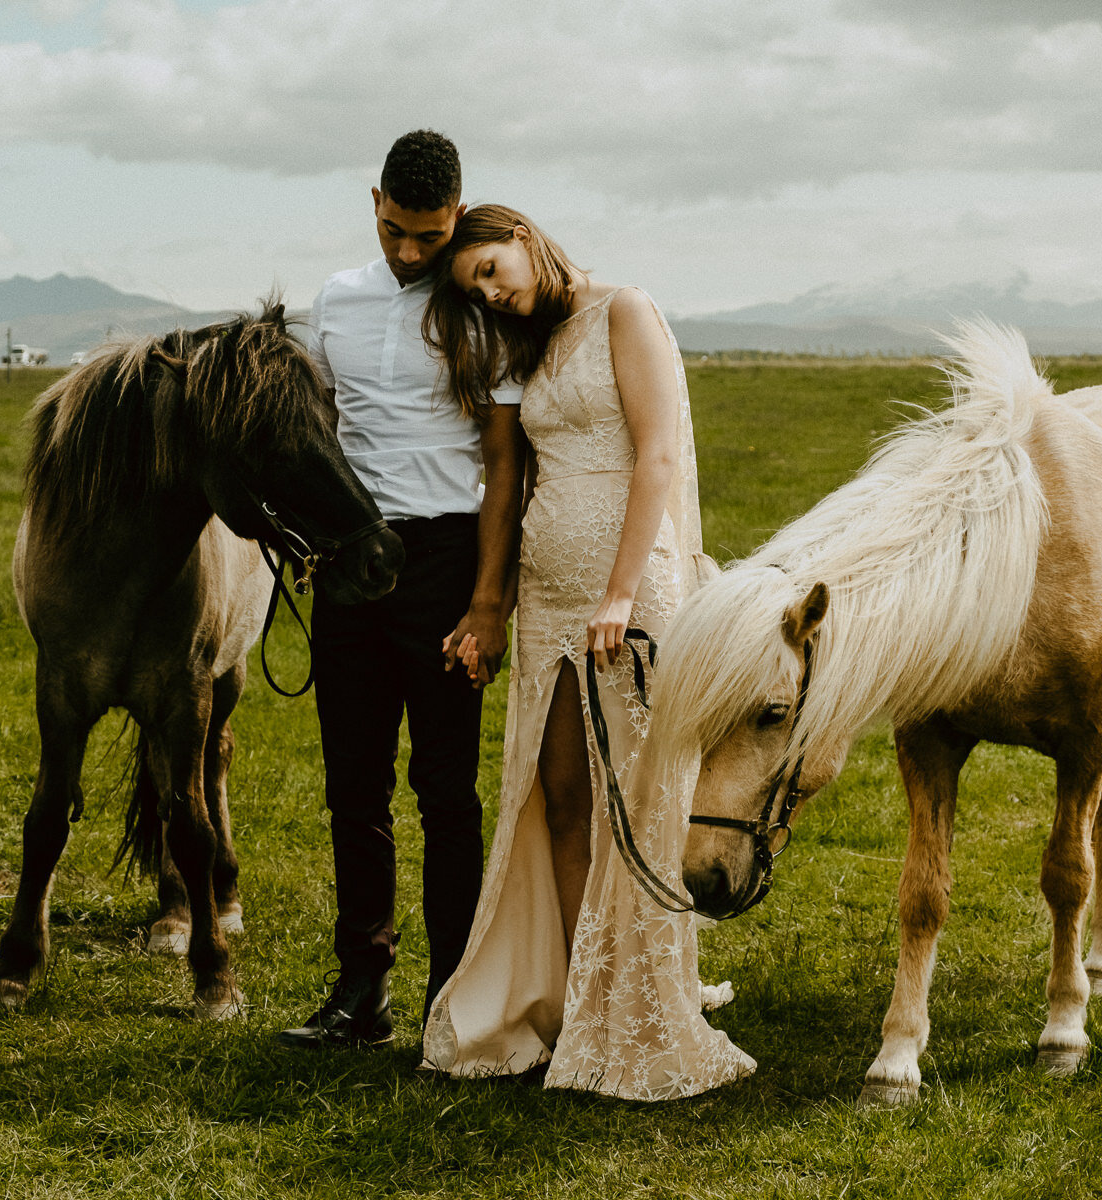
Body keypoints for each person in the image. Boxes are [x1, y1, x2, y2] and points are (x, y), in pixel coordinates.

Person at [418, 205, 754, 1099]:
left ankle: (645, 997)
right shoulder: (529, 343)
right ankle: (579, 998)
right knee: (558, 790)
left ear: (523, 237)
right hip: (548, 596)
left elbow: (655, 458)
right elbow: (512, 468)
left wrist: (618, 590)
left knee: (636, 798)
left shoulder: (624, 311)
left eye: (490, 269)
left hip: (628, 590)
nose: (491, 292)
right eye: (474, 289)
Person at [277, 132, 524, 1050]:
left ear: (456, 214)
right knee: (354, 787)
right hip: (351, 560)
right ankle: (361, 989)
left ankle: (449, 999)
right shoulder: (335, 302)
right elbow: (326, 433)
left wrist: (488, 601)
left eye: (428, 235)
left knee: (447, 792)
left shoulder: (482, 309)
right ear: (373, 201)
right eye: (395, 232)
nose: (412, 253)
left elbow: (503, 466)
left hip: (448, 563)